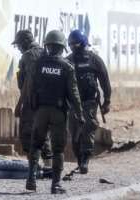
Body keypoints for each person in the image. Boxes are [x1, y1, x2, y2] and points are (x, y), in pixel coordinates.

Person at [26, 30, 85, 194]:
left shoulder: (37, 64)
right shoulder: (67, 67)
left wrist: (33, 107)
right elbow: (74, 93)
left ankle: (31, 179)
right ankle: (56, 185)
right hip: (58, 113)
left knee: (36, 144)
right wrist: (79, 114)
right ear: (62, 47)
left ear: (47, 45)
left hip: (41, 111)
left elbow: (30, 87)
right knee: (58, 149)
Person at [66, 30, 111, 174]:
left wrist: (107, 101)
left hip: (90, 102)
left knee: (88, 129)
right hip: (73, 104)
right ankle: (79, 159)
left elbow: (105, 80)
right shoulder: (68, 60)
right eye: (71, 45)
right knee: (74, 135)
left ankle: (85, 160)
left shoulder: (94, 60)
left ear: (83, 43)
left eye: (76, 44)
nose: (74, 47)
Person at [12, 30, 52, 170]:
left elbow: (27, 83)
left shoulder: (28, 56)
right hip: (47, 101)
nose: (18, 48)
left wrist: (19, 104)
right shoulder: (45, 52)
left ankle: (33, 167)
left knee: (27, 133)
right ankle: (48, 165)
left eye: (18, 45)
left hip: (32, 101)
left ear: (24, 43)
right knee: (44, 131)